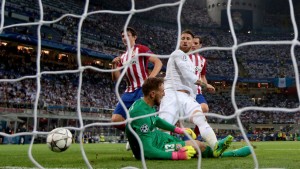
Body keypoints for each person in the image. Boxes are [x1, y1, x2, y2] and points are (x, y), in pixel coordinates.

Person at [126, 77, 251, 160]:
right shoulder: (140, 114)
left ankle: (218, 150)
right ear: (153, 94)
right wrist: (176, 155)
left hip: (158, 138)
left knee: (194, 145)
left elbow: (156, 120)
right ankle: (229, 154)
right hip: (154, 146)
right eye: (162, 91)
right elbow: (146, 151)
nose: (164, 94)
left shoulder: (145, 104)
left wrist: (179, 130)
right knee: (198, 146)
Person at [158, 30, 232, 157]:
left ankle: (216, 146)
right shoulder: (177, 54)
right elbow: (188, 76)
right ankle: (155, 147)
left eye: (188, 38)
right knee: (165, 125)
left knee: (200, 118)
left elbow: (191, 82)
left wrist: (193, 96)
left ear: (193, 43)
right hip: (172, 95)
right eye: (183, 38)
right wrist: (205, 85)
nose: (185, 40)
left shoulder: (191, 62)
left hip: (187, 97)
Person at [111, 27, 162, 132]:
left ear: (135, 37)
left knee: (142, 117)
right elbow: (117, 78)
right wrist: (114, 66)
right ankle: (134, 134)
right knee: (116, 119)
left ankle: (150, 135)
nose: (125, 38)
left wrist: (150, 80)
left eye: (127, 35)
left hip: (142, 89)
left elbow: (158, 62)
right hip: (129, 91)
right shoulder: (123, 57)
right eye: (123, 36)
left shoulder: (141, 49)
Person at [189, 36, 215, 137]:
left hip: (197, 92)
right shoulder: (183, 56)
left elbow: (202, 76)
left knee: (205, 108)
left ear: (200, 46)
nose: (193, 45)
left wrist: (206, 85)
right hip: (184, 91)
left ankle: (194, 136)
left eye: (196, 43)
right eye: (192, 43)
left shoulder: (202, 60)